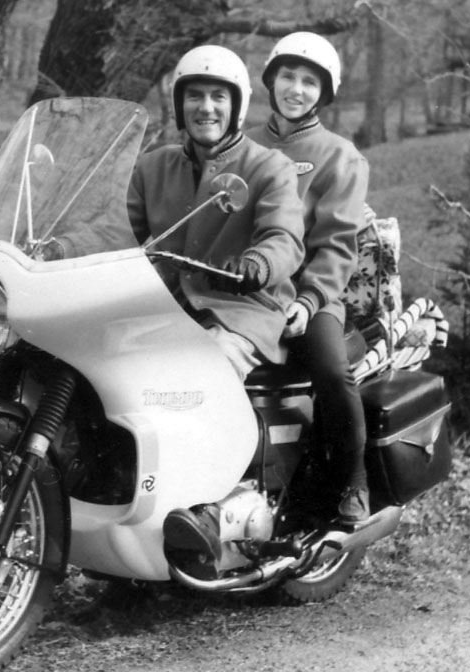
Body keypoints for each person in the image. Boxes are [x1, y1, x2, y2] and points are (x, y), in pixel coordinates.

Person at [122, 45, 306, 558]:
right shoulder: (153, 167)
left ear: (237, 106)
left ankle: (215, 504)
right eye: (195, 96)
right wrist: (63, 249)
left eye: (218, 97)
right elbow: (113, 229)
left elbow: (285, 237)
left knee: (205, 374)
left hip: (243, 309)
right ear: (180, 105)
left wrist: (257, 264)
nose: (206, 107)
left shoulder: (269, 166)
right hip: (168, 307)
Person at [246, 32, 371, 525]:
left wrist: (309, 299)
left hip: (307, 293)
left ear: (324, 92)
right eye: (288, 77)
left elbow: (338, 244)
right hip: (242, 291)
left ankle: (354, 480)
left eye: (309, 82)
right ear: (271, 80)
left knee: (332, 372)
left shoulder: (341, 156)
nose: (296, 89)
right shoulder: (241, 145)